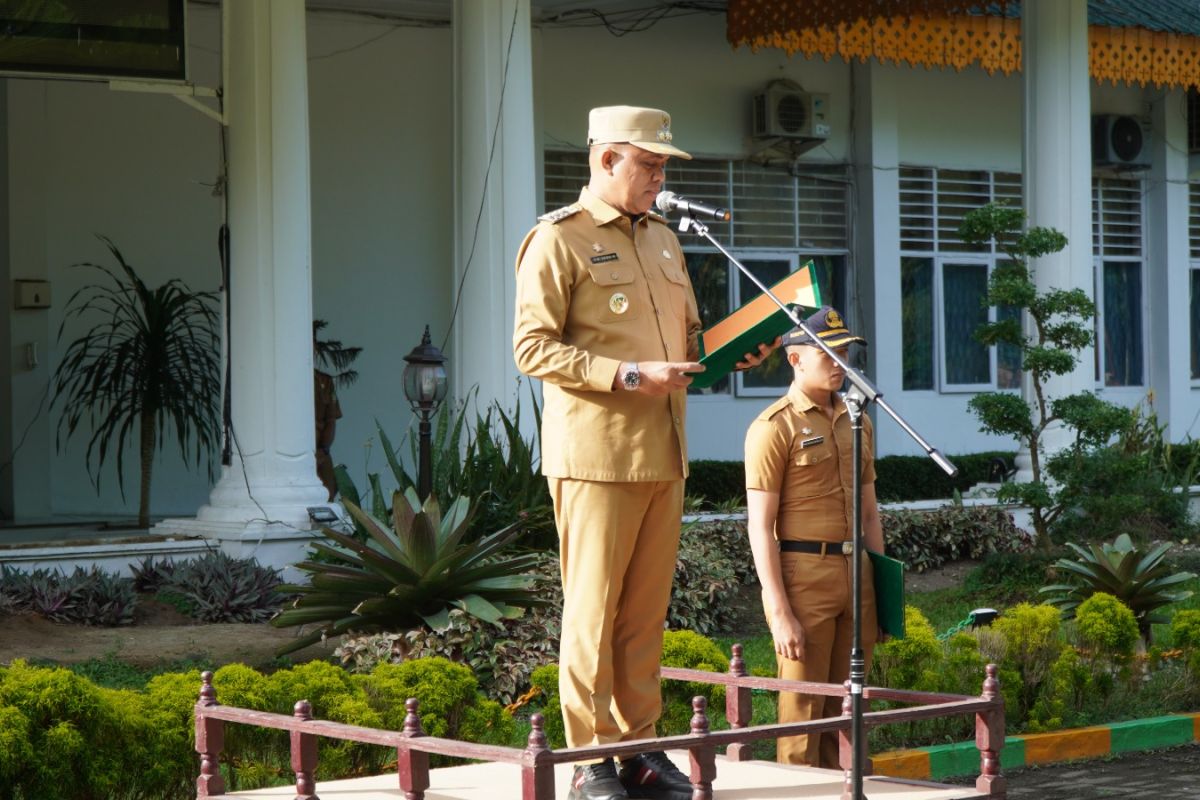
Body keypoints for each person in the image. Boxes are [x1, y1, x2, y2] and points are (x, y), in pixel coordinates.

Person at [513, 105, 773, 800]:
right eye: (650, 165)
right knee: (593, 610)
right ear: (606, 159)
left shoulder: (663, 240)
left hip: (664, 450)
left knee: (645, 614)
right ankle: (590, 761)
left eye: (663, 167)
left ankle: (641, 750)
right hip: (597, 455)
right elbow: (531, 347)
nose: (659, 178)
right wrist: (628, 375)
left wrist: (736, 353)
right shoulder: (558, 240)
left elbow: (685, 349)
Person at [743, 305, 883, 769]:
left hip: (856, 574)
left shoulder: (856, 419)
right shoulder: (773, 427)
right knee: (803, 713)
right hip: (805, 575)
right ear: (795, 358)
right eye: (829, 352)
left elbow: (870, 512)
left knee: (848, 709)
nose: (840, 361)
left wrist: (882, 591)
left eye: (844, 352)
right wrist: (778, 610)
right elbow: (760, 527)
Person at [314, 368, 341, 501]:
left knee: (327, 494)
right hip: (293, 452)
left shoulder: (323, 380)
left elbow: (331, 419)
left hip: (320, 451)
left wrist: (323, 450)